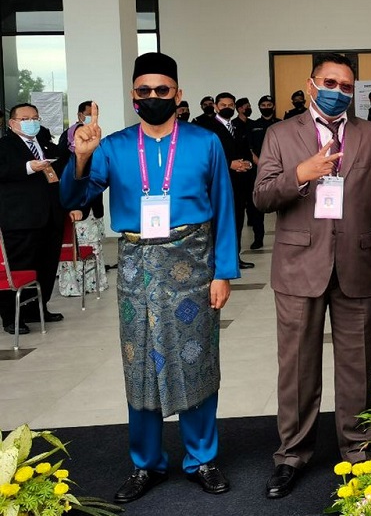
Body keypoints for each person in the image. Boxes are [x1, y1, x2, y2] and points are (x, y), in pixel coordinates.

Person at [60, 52, 239, 502]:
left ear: (177, 94)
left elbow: (223, 208)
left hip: (192, 263)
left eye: (163, 90)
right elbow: (74, 197)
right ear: (133, 95)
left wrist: (223, 272)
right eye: (144, 91)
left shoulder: (204, 142)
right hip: (137, 266)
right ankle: (146, 463)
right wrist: (80, 158)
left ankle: (201, 458)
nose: (154, 97)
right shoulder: (115, 146)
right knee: (139, 363)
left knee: (195, 358)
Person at [254, 52, 371, 500]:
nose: (337, 91)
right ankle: (292, 455)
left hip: (358, 262)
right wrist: (302, 173)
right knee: (297, 366)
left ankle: (358, 451)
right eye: (329, 82)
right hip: (299, 266)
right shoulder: (281, 134)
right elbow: (261, 196)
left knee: (358, 364)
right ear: (312, 83)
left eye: (345, 85)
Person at [0, 103, 69, 334]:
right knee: (20, 266)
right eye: (26, 118)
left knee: (46, 266)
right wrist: (29, 167)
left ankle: (37, 308)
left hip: (50, 215)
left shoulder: (46, 144)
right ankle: (11, 316)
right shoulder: (5, 146)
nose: (32, 121)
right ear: (13, 123)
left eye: (35, 117)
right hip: (21, 219)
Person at [194, 92, 256, 270]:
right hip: (217, 184)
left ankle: (234, 258)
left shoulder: (238, 126)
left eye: (230, 105)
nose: (227, 108)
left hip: (239, 183)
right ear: (215, 106)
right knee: (217, 223)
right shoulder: (207, 127)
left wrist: (247, 164)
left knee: (236, 221)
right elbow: (204, 155)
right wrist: (230, 164)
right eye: (223, 105)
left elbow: (246, 150)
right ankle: (214, 261)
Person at [57, 101, 108, 297]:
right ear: (79, 116)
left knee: (93, 245)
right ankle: (74, 287)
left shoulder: (96, 143)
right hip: (76, 210)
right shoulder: (67, 152)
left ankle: (93, 283)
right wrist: (72, 206)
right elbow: (67, 183)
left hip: (92, 206)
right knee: (75, 249)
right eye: (86, 115)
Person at [246, 95, 281, 250]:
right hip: (257, 169)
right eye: (263, 104)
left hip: (280, 170)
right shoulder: (253, 125)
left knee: (282, 202)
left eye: (269, 104)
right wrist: (261, 164)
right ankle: (258, 238)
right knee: (256, 206)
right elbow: (249, 148)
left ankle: (283, 236)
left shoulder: (281, 124)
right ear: (259, 107)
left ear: (273, 107)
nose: (266, 106)